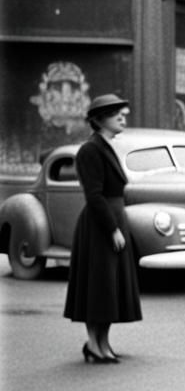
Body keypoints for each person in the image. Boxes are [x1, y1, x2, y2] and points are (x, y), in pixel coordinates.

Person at [63, 93, 143, 363]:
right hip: (100, 225)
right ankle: (94, 344)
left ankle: (102, 343)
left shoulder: (107, 146)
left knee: (110, 285)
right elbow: (94, 195)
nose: (123, 117)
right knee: (99, 285)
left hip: (113, 219)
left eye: (122, 112)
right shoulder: (90, 150)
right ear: (99, 120)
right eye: (115, 113)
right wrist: (112, 229)